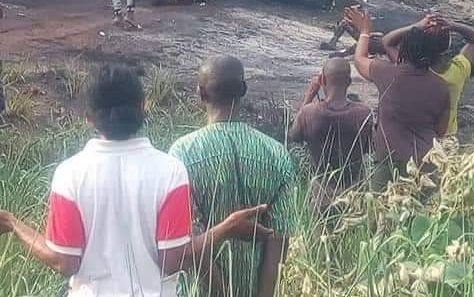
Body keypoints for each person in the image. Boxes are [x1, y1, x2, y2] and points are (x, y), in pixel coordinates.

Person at [0, 64, 271, 297]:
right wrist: (225, 228)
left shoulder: (69, 174)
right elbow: (172, 260)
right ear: (143, 108)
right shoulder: (170, 171)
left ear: (88, 117)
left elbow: (65, 262)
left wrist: (14, 224)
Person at [169, 56, 295, 297]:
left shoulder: (182, 152)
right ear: (243, 91)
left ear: (201, 93)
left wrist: (221, 293)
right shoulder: (275, 153)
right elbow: (279, 238)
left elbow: (192, 237)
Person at [344, 7, 450, 186]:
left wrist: (364, 32)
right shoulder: (441, 87)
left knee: (381, 210)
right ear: (434, 55)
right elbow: (441, 131)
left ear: (404, 50)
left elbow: (360, 59)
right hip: (427, 167)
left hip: (389, 165)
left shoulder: (386, 73)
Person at [381, 14, 474, 147]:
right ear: (447, 46)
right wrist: (452, 25)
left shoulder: (412, 70)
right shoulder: (458, 70)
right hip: (447, 139)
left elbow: (387, 42)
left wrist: (417, 26)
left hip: (417, 136)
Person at [289, 58, 373, 211]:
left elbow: (293, 136)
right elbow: (370, 148)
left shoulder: (309, 113)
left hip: (320, 196)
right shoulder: (364, 114)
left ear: (322, 80)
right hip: (355, 195)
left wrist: (310, 94)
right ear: (349, 81)